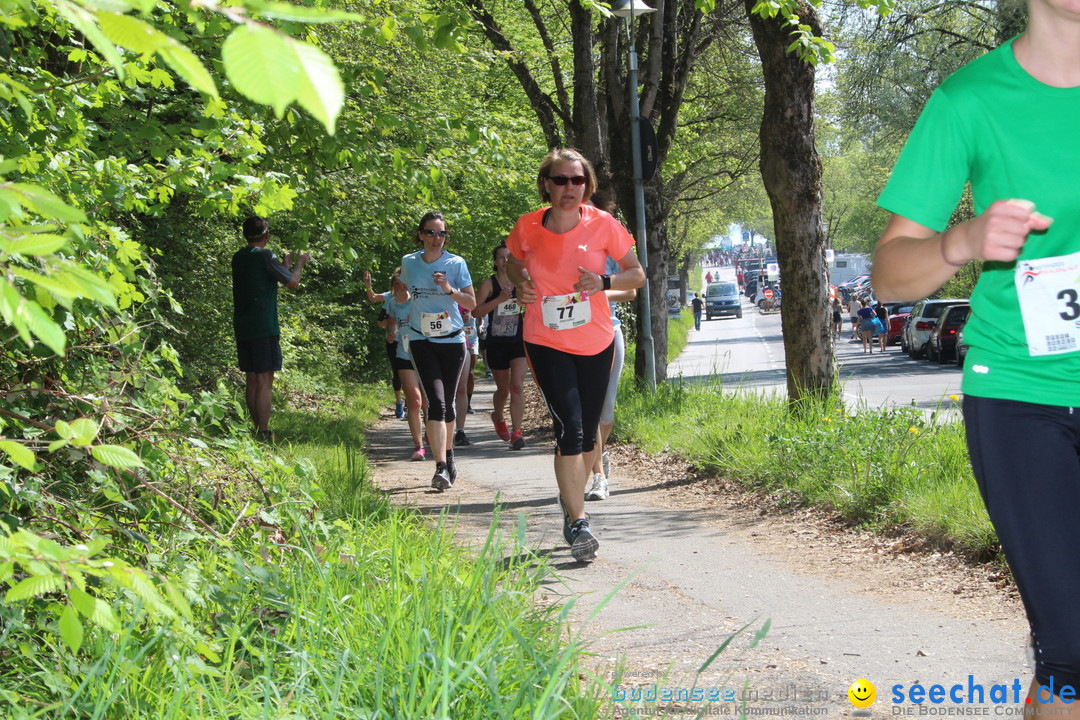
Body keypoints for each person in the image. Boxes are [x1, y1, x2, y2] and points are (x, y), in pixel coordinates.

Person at [871, 6, 1077, 711]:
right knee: (1074, 646)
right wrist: (962, 242)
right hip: (1024, 394)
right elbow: (890, 276)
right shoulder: (968, 100)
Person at [506, 148, 644, 562]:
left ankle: (570, 508)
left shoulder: (604, 225)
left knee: (586, 435)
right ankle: (580, 522)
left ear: (588, 185)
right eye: (561, 180)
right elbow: (513, 262)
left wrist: (603, 281)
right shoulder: (528, 226)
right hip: (545, 339)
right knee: (568, 427)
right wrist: (520, 283)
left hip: (595, 341)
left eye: (578, 180)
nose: (570, 188)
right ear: (546, 183)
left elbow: (636, 274)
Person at [400, 211, 476, 491]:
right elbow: (408, 292)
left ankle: (450, 458)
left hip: (453, 340)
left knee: (449, 404)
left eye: (441, 233)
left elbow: (471, 301)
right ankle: (441, 468)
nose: (436, 238)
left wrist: (449, 288)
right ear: (420, 234)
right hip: (421, 339)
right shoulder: (409, 262)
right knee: (436, 402)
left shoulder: (456, 263)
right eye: (431, 232)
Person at [231, 216, 309, 442]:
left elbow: (266, 278)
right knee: (265, 380)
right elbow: (292, 282)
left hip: (243, 325)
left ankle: (256, 429)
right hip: (264, 325)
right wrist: (299, 265)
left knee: (252, 379)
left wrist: (282, 267)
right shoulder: (266, 255)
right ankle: (264, 432)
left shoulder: (238, 257)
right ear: (267, 235)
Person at [364, 269, 427, 460]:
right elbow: (390, 322)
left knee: (427, 401)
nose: (401, 288)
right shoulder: (391, 302)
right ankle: (418, 445)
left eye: (403, 284)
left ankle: (430, 431)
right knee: (414, 400)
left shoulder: (419, 298)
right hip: (403, 352)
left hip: (424, 353)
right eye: (397, 285)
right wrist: (391, 333)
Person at [473, 242, 528, 449]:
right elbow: (476, 312)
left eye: (509, 257)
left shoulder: (522, 282)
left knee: (517, 386)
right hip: (496, 342)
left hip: (518, 340)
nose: (505, 261)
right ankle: (497, 415)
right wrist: (499, 300)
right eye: (501, 258)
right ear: (495, 262)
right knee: (503, 390)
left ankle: (517, 432)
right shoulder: (489, 284)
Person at [453, 305, 479, 447]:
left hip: (463, 344)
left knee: (461, 389)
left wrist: (466, 315)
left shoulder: (461, 293)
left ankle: (460, 431)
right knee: (443, 390)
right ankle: (434, 424)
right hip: (436, 345)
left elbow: (470, 313)